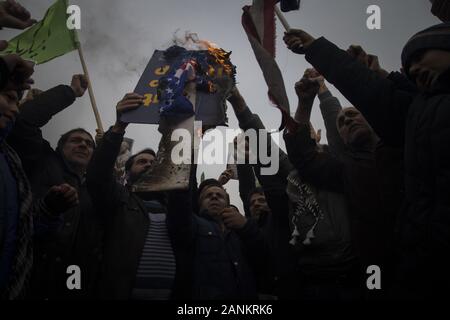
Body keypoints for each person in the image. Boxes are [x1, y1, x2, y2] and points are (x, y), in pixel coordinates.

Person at [283, 21, 450, 299]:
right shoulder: (348, 170)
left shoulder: (408, 135)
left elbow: (378, 95)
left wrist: (373, 74)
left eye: (353, 114)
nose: (347, 119)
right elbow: (303, 156)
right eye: (341, 122)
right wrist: (304, 103)